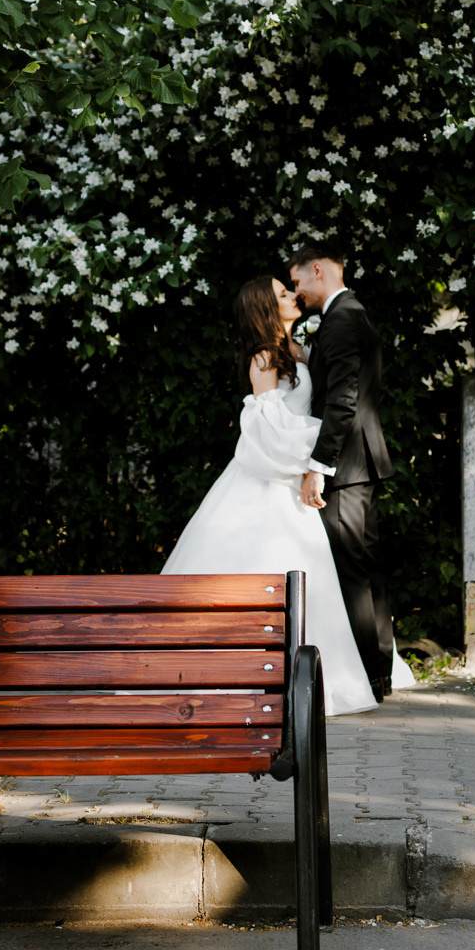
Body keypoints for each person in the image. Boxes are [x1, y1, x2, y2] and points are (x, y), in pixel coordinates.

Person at [162, 276, 410, 714]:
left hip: (293, 484)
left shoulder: (297, 350)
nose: (293, 296)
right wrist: (317, 451)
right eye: (282, 293)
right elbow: (266, 430)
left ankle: (311, 674)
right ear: (265, 307)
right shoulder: (263, 358)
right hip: (266, 482)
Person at [288, 244, 399, 699]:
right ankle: (379, 672)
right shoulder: (352, 314)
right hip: (361, 462)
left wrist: (319, 467)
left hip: (347, 464)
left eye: (297, 282)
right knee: (365, 568)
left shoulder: (342, 319)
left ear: (317, 270)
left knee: (352, 571)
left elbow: (343, 401)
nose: (298, 292)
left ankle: (368, 676)